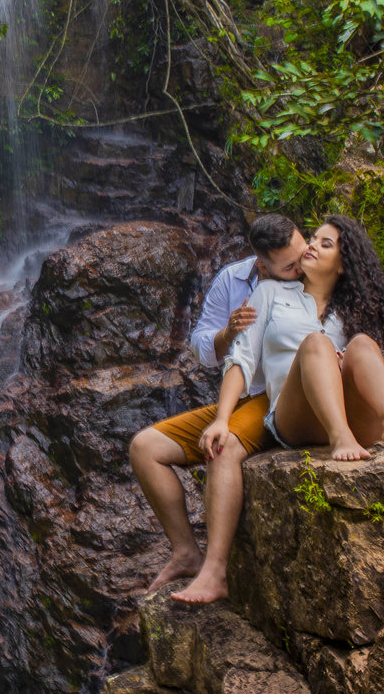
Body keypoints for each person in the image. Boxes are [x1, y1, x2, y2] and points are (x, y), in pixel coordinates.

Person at [129, 214, 308, 603]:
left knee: (221, 446)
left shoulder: (311, 276)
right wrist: (228, 333)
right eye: (290, 266)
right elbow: (201, 346)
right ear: (262, 265)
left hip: (280, 394)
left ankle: (217, 571)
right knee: (145, 448)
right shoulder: (233, 280)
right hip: (238, 393)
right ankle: (186, 553)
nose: (300, 267)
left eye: (303, 253)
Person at [207, 214, 384, 469]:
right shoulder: (269, 293)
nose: (312, 246)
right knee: (316, 343)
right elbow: (242, 359)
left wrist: (343, 363)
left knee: (362, 343)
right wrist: (221, 419)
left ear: (342, 265)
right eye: (313, 239)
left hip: (357, 417)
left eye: (325, 244)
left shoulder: (354, 311)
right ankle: (340, 436)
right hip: (297, 418)